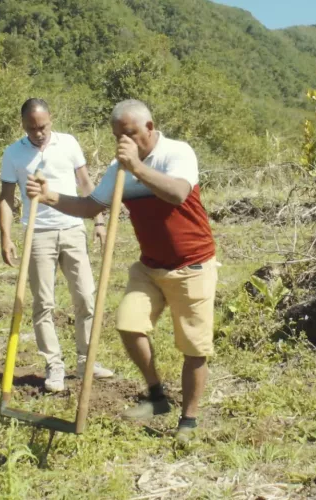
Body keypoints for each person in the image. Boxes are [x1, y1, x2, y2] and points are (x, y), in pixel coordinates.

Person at [25, 99, 218, 443]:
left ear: (149, 127)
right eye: (117, 136)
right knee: (128, 326)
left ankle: (188, 421)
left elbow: (177, 194)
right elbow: (90, 206)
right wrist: (50, 195)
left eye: (129, 133)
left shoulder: (177, 153)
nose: (123, 142)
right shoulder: (119, 169)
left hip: (192, 265)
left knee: (193, 348)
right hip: (150, 267)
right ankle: (157, 396)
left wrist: (137, 168)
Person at [0, 98, 114, 393]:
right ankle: (54, 366)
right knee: (43, 304)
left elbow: (86, 185)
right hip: (38, 234)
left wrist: (98, 222)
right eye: (31, 128)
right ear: (23, 126)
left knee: (86, 297)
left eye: (43, 126)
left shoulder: (69, 143)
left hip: (73, 228)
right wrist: (6, 236)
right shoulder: (13, 153)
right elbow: (6, 198)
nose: (38, 133)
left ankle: (86, 361)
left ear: (52, 119)